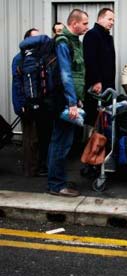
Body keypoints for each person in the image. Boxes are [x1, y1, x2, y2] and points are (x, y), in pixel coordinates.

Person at [47, 9, 89, 197]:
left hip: (70, 99)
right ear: (74, 23)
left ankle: (57, 180)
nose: (87, 27)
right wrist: (72, 102)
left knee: (63, 141)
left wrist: (77, 97)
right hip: (62, 100)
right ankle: (56, 185)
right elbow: (65, 74)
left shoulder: (75, 42)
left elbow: (77, 74)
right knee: (60, 143)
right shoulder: (63, 42)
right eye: (85, 23)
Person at [11, 28, 50, 177]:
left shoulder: (38, 57)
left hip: (38, 102)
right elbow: (17, 84)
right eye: (35, 38)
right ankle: (30, 170)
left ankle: (38, 167)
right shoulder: (19, 59)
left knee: (38, 136)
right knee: (30, 138)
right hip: (26, 104)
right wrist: (21, 105)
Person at [83, 8, 116, 126]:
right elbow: (90, 60)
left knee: (106, 120)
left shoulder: (108, 37)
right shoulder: (92, 35)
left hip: (108, 86)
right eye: (109, 19)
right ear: (100, 19)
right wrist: (96, 81)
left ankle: (102, 143)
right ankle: (90, 143)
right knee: (93, 119)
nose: (112, 22)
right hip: (97, 87)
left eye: (113, 20)